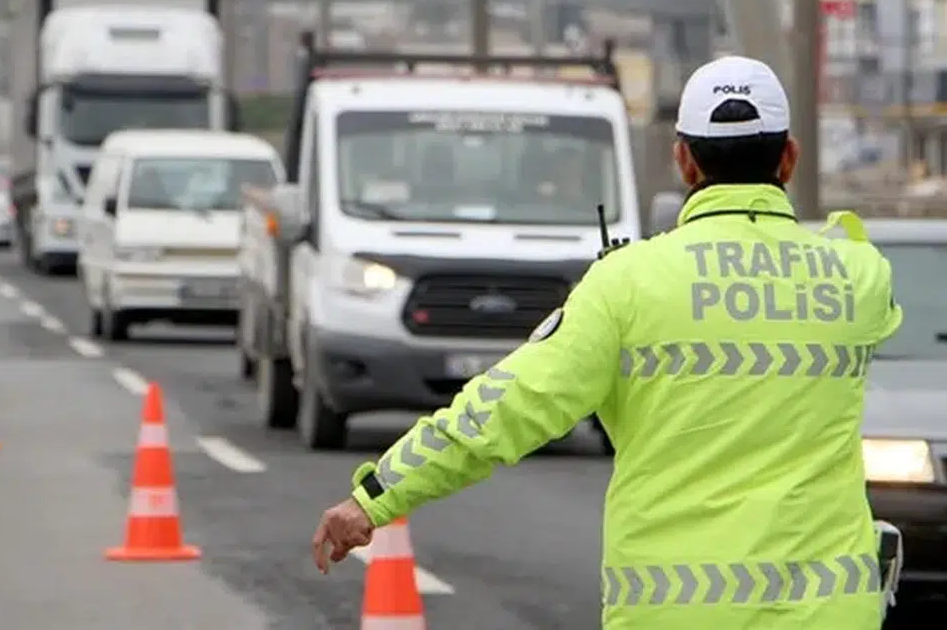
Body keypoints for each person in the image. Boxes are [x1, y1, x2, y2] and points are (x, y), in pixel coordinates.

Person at [310, 56, 903, 629]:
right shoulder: (857, 276)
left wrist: (377, 497)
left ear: (684, 161)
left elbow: (503, 409)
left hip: (673, 612)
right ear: (790, 157)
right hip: (829, 613)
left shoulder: (627, 282)